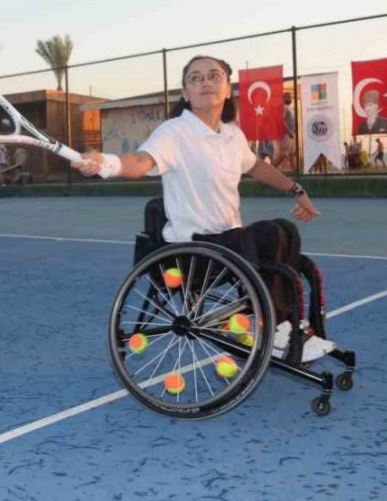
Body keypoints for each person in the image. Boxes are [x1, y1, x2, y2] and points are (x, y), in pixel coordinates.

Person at [75, 55, 328, 359]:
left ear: (226, 89)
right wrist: (106, 163)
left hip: (229, 246)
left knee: (285, 230)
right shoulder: (174, 132)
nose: (205, 81)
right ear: (185, 94)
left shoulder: (232, 135)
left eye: (213, 75)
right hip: (192, 252)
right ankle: (273, 327)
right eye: (195, 78)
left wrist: (296, 190)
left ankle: (282, 323)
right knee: (269, 234)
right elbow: (140, 162)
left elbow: (257, 166)